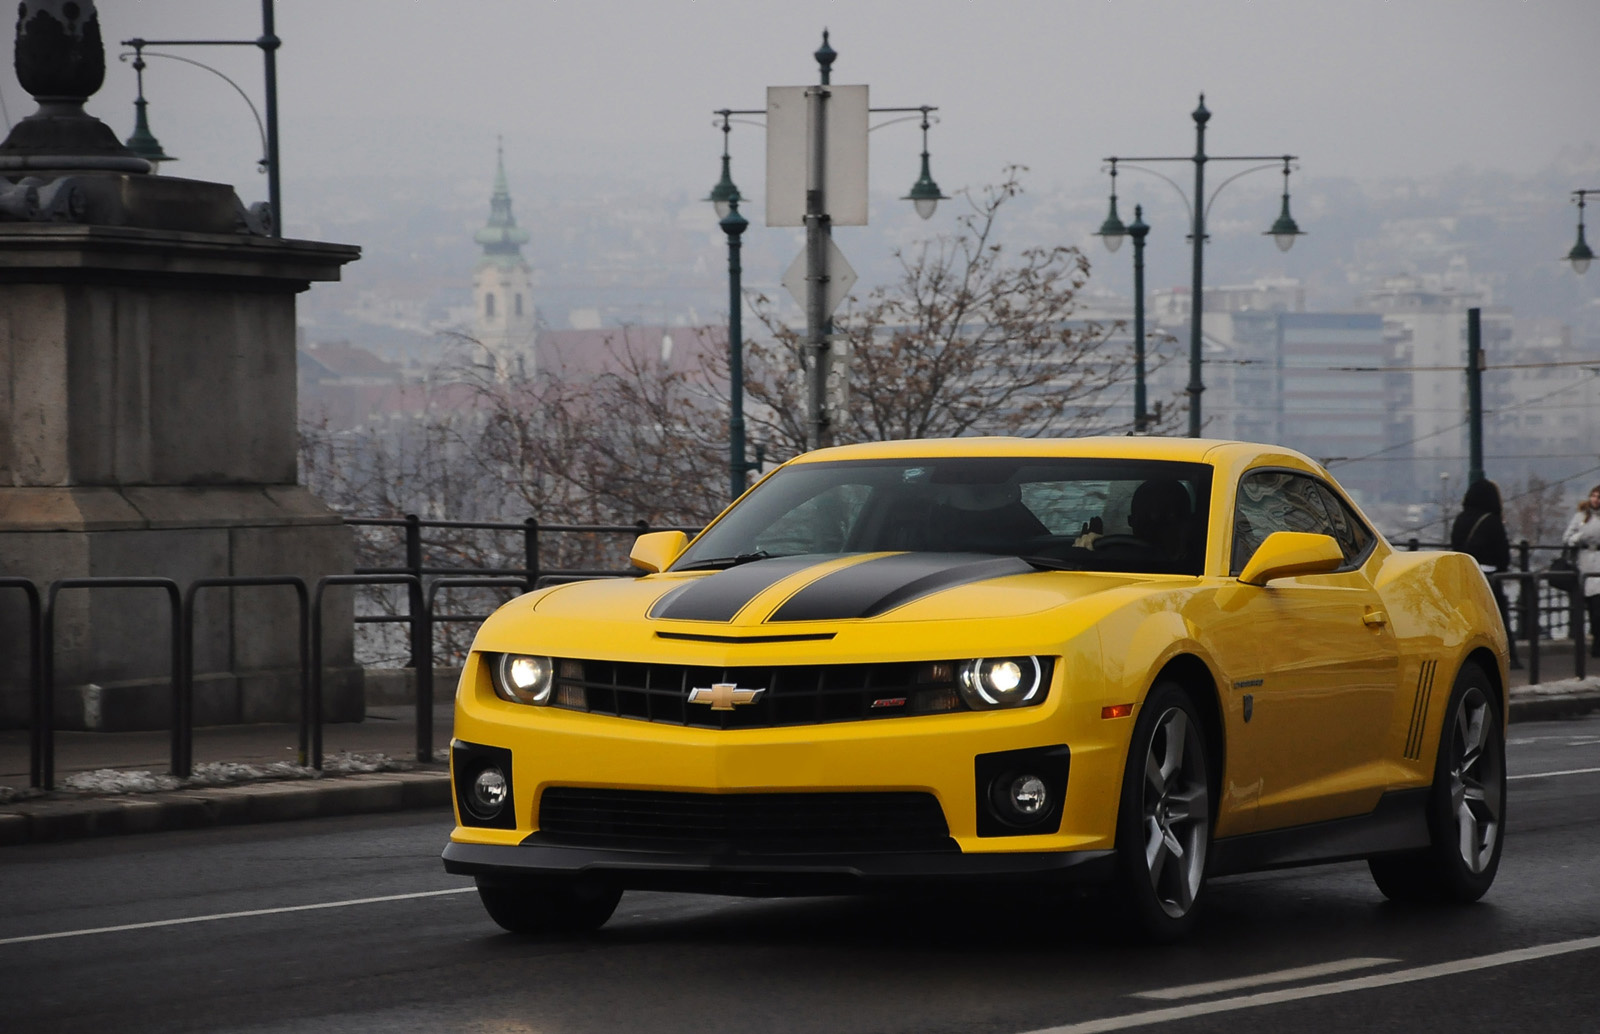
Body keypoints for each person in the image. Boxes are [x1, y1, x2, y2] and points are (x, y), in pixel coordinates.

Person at [1451, 479, 1520, 668]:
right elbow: (1502, 554)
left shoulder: (1460, 519)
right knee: (1498, 617)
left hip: (1466, 576)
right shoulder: (1491, 520)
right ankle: (1508, 656)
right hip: (1489, 577)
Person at [1562, 484, 1600, 659]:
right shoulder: (1581, 516)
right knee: (1588, 607)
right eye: (1593, 496)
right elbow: (1567, 538)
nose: (1595, 500)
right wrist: (1578, 538)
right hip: (1584, 563)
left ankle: (1597, 644)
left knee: (1597, 607)